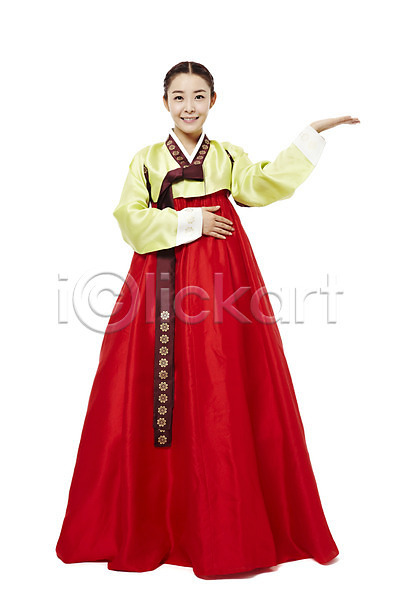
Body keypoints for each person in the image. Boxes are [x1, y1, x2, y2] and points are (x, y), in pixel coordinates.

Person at [55, 60, 359, 579]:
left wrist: (310, 135)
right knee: (152, 383)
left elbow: (262, 185)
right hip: (160, 281)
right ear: (165, 103)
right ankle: (157, 518)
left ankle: (227, 523)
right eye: (179, 97)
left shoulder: (226, 155)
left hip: (222, 280)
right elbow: (130, 219)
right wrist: (192, 219)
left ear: (213, 101)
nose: (189, 106)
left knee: (221, 378)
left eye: (199, 96)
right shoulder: (146, 160)